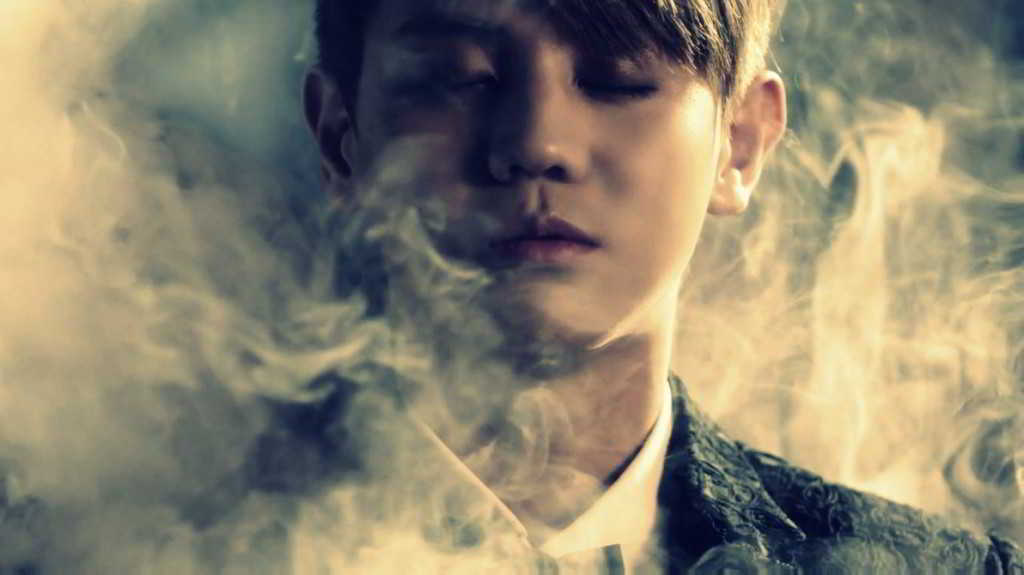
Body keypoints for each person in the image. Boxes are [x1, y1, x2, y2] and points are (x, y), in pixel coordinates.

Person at [292, 0, 1024, 572]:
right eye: (460, 76)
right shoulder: (219, 528)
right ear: (339, 137)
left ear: (739, 144)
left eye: (619, 79)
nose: (537, 143)